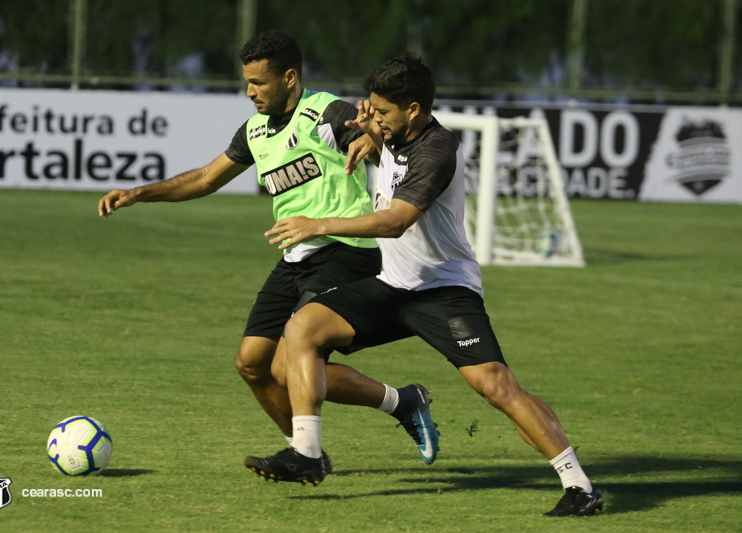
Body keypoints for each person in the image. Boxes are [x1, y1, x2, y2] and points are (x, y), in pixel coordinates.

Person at [245, 55, 603, 517]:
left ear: (413, 109)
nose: (374, 117)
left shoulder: (438, 150)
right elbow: (376, 147)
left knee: (496, 388)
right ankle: (308, 455)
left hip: (443, 292)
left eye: (383, 111)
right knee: (302, 330)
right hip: (391, 285)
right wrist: (368, 134)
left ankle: (580, 486)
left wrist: (318, 224)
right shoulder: (391, 130)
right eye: (371, 108)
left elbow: (396, 222)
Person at [97, 32, 440, 470]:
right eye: (247, 82)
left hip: (345, 250)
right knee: (252, 364)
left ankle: (307, 454)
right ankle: (360, 421)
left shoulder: (327, 112)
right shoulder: (255, 131)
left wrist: (372, 137)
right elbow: (205, 179)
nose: (249, 92)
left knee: (288, 363)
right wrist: (140, 193)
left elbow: (376, 138)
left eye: (258, 82)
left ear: (289, 77)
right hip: (294, 256)